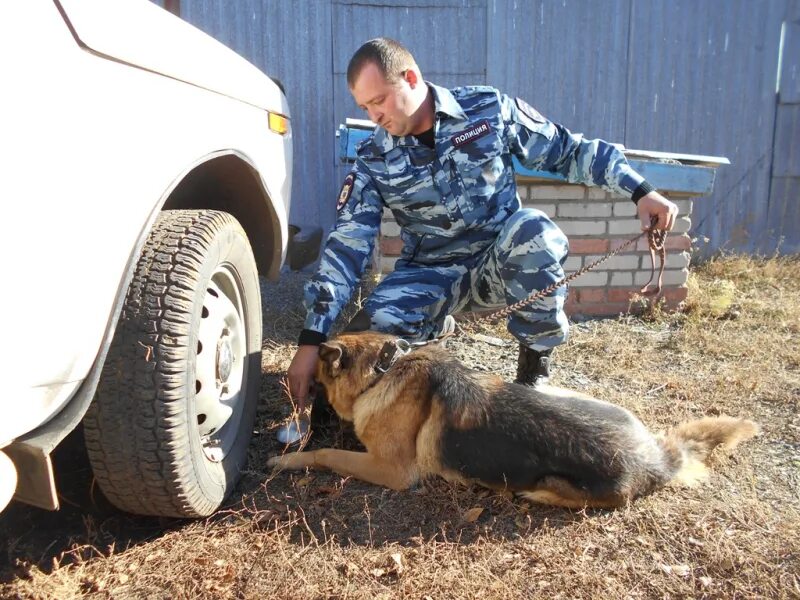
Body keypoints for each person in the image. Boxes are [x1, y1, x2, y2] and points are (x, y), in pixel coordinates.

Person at [287, 37, 678, 413]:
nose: (375, 116)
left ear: (409, 78)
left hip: (500, 262)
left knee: (533, 234)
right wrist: (311, 339)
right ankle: (429, 333)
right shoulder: (374, 157)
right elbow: (346, 247)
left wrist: (641, 191)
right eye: (365, 107)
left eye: (379, 101)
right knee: (368, 343)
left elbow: (568, 151)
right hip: (429, 273)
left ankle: (532, 375)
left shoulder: (487, 110)